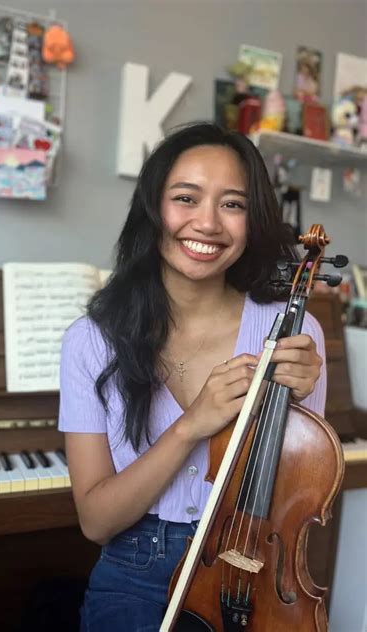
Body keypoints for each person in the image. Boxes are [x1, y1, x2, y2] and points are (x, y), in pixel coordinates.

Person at [58, 122, 326, 632]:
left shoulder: (295, 330)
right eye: (186, 198)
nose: (207, 224)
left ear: (253, 221)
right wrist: (190, 426)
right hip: (132, 572)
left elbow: (295, 500)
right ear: (153, 208)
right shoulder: (92, 340)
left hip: (250, 574)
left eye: (233, 204)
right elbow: (96, 522)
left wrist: (296, 408)